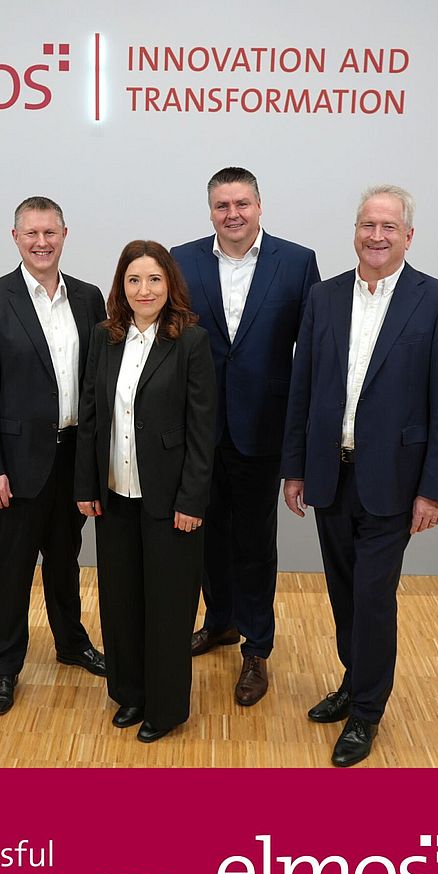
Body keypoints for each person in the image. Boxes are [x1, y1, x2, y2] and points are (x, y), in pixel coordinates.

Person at [282, 185, 438, 767]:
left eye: (389, 226)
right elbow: (303, 388)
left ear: (408, 236)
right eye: (368, 224)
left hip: (394, 481)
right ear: (356, 231)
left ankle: (366, 710)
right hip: (330, 475)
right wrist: (295, 469)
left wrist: (434, 489)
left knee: (372, 596)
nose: (377, 235)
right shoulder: (324, 297)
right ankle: (354, 679)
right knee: (343, 591)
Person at [171, 167, 319, 706]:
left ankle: (257, 648)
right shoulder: (181, 260)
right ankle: (221, 622)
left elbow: (311, 353)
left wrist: (303, 440)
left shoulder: (297, 262)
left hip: (263, 427)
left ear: (259, 205)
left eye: (241, 204)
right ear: (210, 210)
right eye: (222, 205)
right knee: (205, 534)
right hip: (198, 427)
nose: (232, 214)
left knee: (255, 544)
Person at [0, 196, 106, 716]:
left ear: (64, 234)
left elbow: (98, 382)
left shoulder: (88, 298)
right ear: (15, 237)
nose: (41, 242)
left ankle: (71, 643)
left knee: (66, 559)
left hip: (74, 458)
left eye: (50, 233)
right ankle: (4, 667)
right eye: (31, 234)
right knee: (13, 568)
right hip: (16, 465)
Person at [75, 241, 216, 742]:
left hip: (170, 501)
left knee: (167, 607)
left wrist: (191, 500)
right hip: (115, 495)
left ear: (169, 284)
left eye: (154, 279)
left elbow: (203, 429)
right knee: (121, 601)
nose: (144, 290)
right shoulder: (104, 337)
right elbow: (91, 414)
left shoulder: (191, 341)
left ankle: (165, 707)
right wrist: (86, 484)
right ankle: (130, 694)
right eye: (134, 280)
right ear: (122, 286)